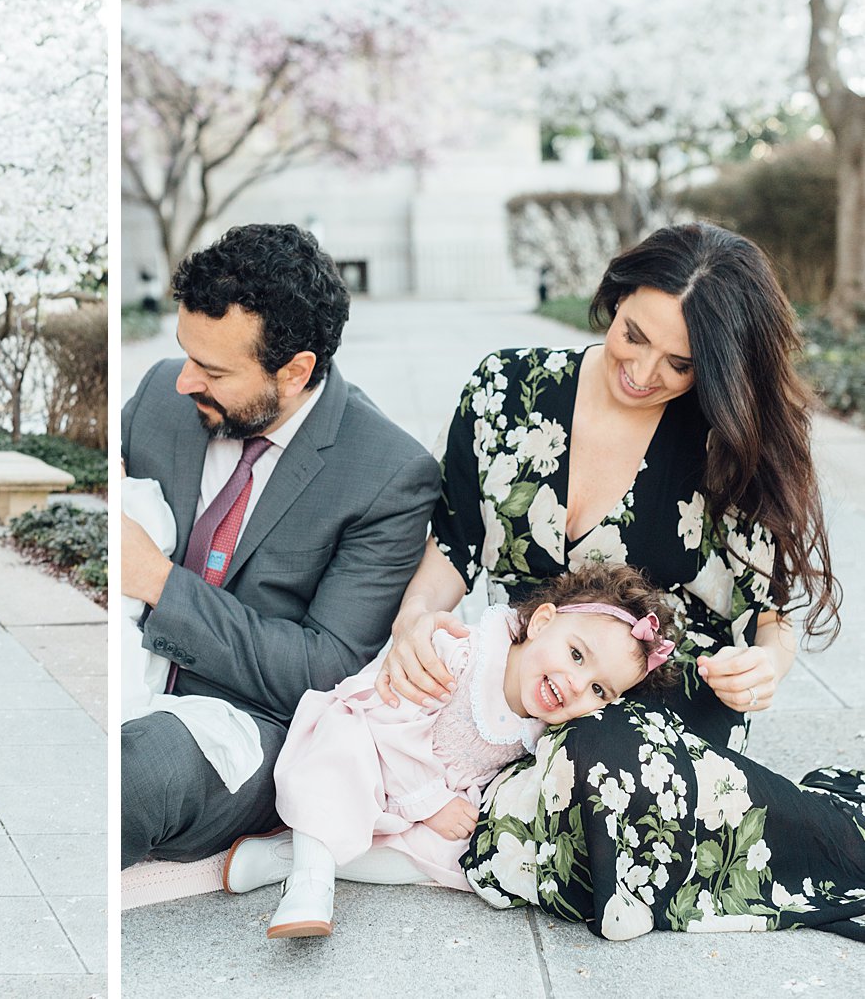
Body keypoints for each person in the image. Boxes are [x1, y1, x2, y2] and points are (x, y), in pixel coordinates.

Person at [376, 222, 865, 940]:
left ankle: (833, 846)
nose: (643, 372)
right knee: (445, 766)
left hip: (658, 706)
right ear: (614, 295)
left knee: (590, 769)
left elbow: (770, 614)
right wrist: (413, 620)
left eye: (681, 364)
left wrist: (766, 665)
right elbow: (453, 541)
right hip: (525, 690)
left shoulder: (724, 436)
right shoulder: (505, 390)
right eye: (633, 334)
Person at [121, 223, 441, 869]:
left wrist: (160, 583)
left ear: (295, 372)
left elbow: (324, 670)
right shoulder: (160, 395)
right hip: (126, 662)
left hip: (246, 725)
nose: (184, 381)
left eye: (211, 369)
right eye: (185, 353)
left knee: (126, 776)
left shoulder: (389, 474)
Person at [228, 563, 679, 939]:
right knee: (341, 750)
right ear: (542, 622)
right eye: (577, 655)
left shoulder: (544, 727)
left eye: (599, 689)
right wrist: (431, 801)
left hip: (420, 801)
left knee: (459, 855)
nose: (576, 684)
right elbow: (389, 721)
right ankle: (308, 885)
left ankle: (291, 858)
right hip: (376, 750)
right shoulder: (465, 653)